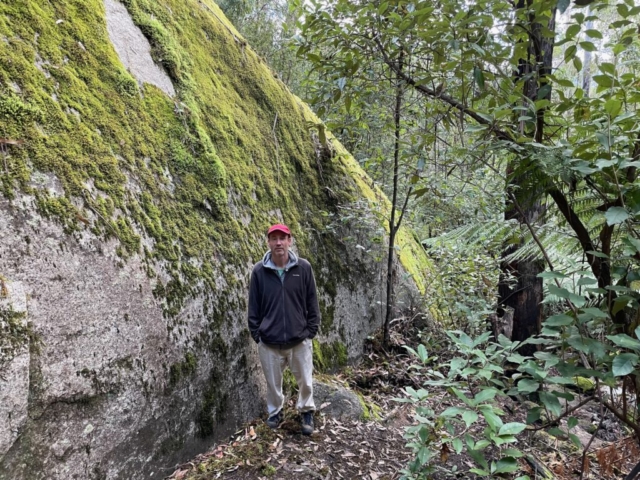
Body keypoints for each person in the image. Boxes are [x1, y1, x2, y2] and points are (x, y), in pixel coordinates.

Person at [248, 223, 320, 436]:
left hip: (299, 340)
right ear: (268, 242)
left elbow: (311, 301)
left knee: (305, 381)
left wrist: (311, 331)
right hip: (270, 341)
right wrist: (257, 334)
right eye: (274, 238)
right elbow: (254, 306)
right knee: (272, 384)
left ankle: (306, 411)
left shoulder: (303, 268)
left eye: (283, 238)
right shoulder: (259, 271)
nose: (278, 242)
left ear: (290, 240)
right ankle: (275, 412)